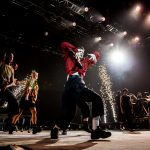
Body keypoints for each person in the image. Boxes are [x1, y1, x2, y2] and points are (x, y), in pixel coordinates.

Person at [50, 41, 111, 140]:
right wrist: (73, 51)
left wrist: (94, 55)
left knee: (93, 101)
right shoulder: (70, 57)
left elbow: (97, 56)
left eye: (82, 52)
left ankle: (55, 130)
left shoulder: (85, 61)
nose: (81, 53)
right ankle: (95, 130)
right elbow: (63, 44)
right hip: (72, 83)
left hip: (77, 84)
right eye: (79, 51)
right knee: (69, 112)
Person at [0, 52, 19, 134]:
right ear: (6, 57)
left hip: (5, 89)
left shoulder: (11, 69)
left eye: (12, 57)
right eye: (10, 56)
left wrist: (6, 86)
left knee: (14, 102)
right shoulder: (1, 64)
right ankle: (9, 125)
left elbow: (12, 82)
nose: (11, 58)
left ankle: (9, 124)